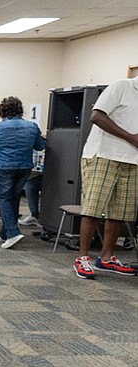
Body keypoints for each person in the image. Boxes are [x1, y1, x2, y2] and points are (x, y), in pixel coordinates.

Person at [73, 77, 138, 279]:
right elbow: (96, 116)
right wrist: (130, 137)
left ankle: (107, 258)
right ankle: (82, 257)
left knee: (119, 212)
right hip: (103, 155)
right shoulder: (122, 86)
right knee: (93, 209)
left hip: (132, 159)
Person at [0, 96, 46, 249]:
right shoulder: (32, 126)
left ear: (2, 111)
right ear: (20, 110)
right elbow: (39, 146)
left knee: (3, 199)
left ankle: (12, 233)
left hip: (2, 166)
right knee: (14, 198)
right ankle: (5, 233)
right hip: (23, 167)